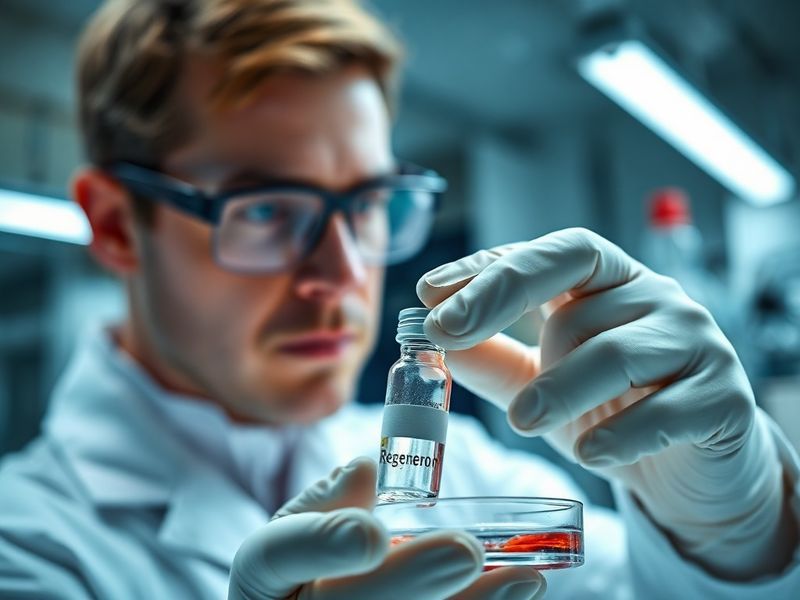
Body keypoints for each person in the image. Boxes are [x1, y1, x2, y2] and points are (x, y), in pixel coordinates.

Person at [0, 0, 798, 598]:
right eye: (269, 210)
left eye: (371, 204)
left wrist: (734, 535)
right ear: (115, 225)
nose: (342, 272)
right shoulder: (25, 545)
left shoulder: (467, 472)